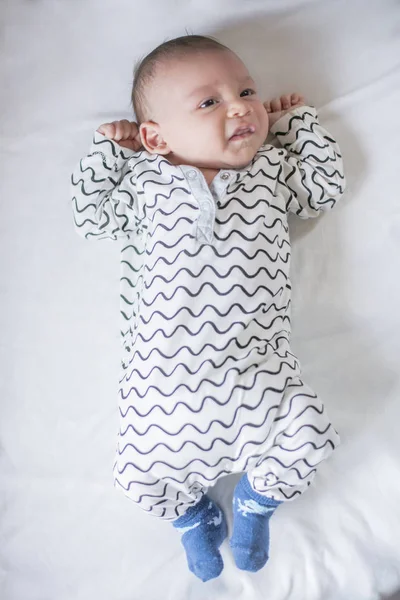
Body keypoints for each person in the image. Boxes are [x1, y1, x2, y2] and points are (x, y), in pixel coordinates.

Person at [71, 35, 345, 582]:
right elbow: (91, 215)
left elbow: (323, 188)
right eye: (209, 101)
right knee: (135, 477)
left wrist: (298, 125)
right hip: (161, 390)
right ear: (156, 137)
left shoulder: (270, 170)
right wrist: (111, 152)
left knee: (311, 434)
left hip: (259, 378)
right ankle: (191, 517)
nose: (241, 106)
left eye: (245, 90)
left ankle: (253, 504)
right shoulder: (147, 182)